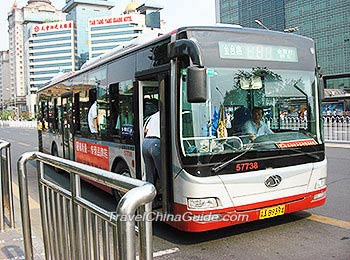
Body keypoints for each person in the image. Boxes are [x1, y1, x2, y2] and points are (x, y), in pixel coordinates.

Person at [142, 111, 161, 186]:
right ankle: (165, 194)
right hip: (155, 143)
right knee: (162, 172)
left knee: (149, 174)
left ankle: (151, 196)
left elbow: (145, 130)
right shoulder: (168, 113)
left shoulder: (153, 115)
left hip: (145, 142)